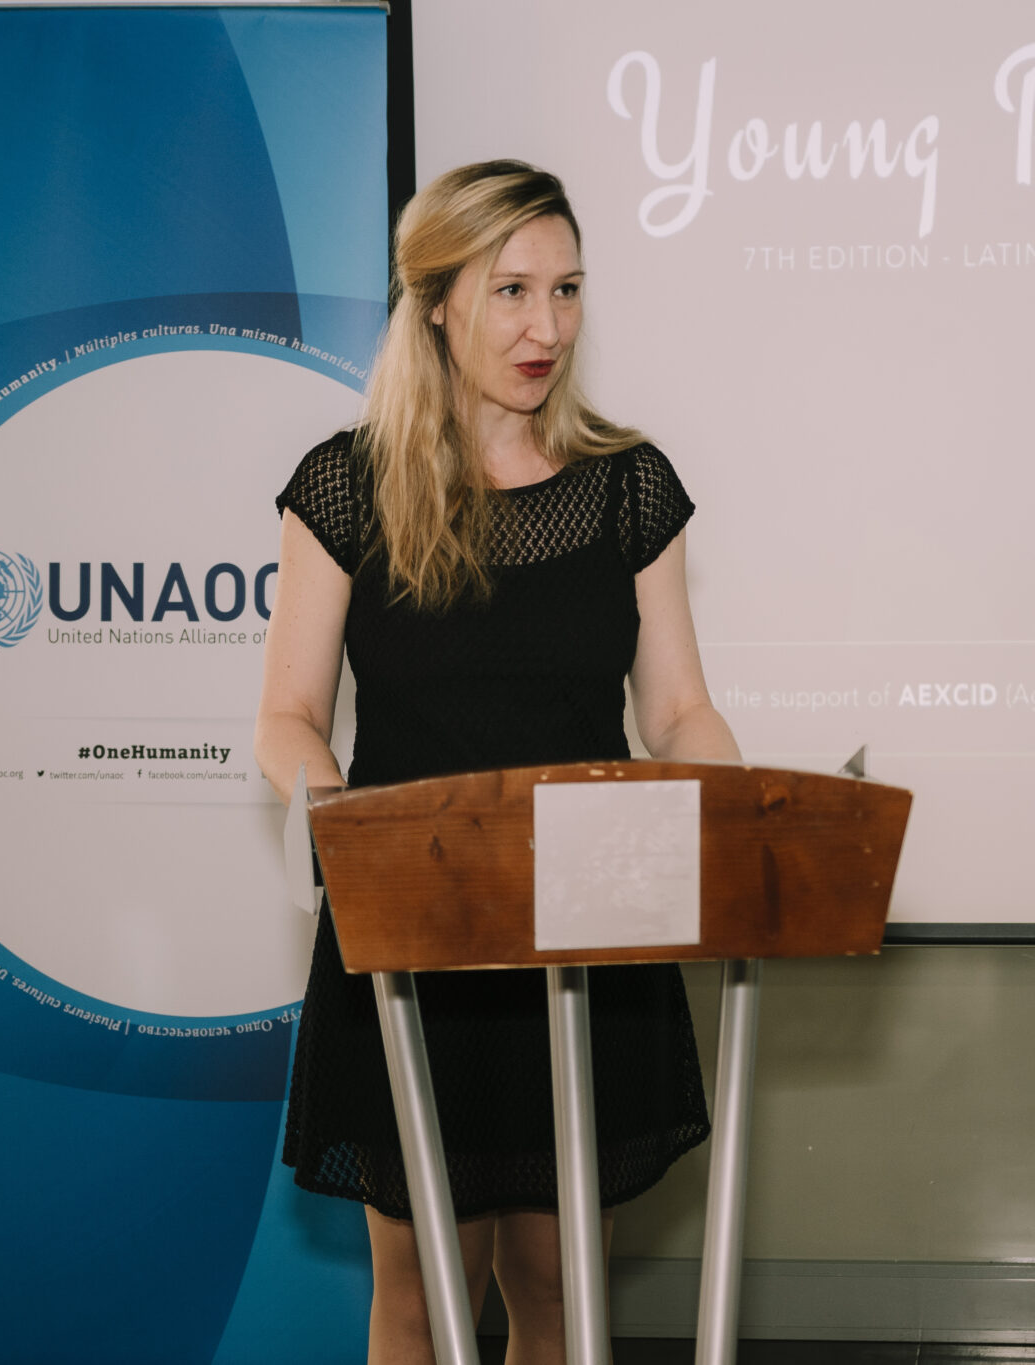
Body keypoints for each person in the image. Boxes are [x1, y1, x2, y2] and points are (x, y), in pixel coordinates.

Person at [254, 159, 742, 1365]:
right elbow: (288, 716)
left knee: (556, 1285)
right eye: (512, 291)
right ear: (435, 302)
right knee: (425, 1297)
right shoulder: (347, 487)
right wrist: (345, 832)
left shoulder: (627, 488)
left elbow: (678, 708)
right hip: (414, 946)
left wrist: (731, 817)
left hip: (588, 939)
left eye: (566, 289)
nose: (547, 328)